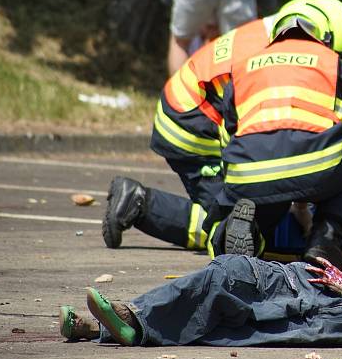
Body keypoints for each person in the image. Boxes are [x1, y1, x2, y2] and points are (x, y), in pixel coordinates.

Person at [205, 0, 342, 269]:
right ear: (324, 33)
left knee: (268, 191)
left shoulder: (244, 64)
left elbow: (230, 121)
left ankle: (238, 230)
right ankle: (325, 238)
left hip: (248, 171)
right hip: (317, 166)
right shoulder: (331, 62)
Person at [58, 256, 342, 350]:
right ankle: (111, 326)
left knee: (226, 280)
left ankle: (127, 322)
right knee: (222, 294)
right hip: (318, 286)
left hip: (325, 305)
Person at [103, 15, 274, 252]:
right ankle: (231, 265)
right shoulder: (286, 56)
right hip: (195, 123)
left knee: (235, 220)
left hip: (191, 111)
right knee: (233, 224)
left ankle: (138, 202)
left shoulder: (275, 34)